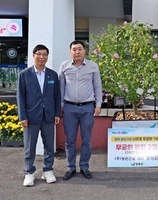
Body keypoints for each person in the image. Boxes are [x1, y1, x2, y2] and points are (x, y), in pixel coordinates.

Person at [17, 44, 61, 187]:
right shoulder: (24, 75)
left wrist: (56, 113)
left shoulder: (52, 75)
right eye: (39, 54)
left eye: (45, 54)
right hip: (31, 117)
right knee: (30, 146)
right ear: (33, 55)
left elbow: (56, 96)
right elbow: (20, 97)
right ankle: (29, 173)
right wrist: (22, 116)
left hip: (48, 116)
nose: (42, 57)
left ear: (47, 57)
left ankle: (48, 170)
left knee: (49, 146)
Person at [59, 40, 102, 180]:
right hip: (69, 107)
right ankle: (70, 168)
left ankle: (84, 167)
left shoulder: (93, 66)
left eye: (79, 49)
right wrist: (60, 106)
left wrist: (99, 104)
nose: (77, 52)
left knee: (87, 140)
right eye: (74, 49)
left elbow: (97, 86)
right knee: (70, 140)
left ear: (85, 51)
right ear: (70, 52)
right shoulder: (64, 66)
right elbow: (61, 88)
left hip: (87, 108)